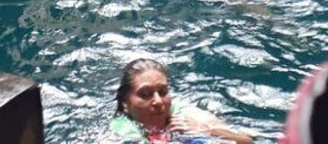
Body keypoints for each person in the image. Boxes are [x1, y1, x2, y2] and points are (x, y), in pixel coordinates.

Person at [102, 58, 253, 144]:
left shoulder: (193, 117)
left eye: (163, 92)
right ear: (125, 104)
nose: (158, 101)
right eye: (145, 94)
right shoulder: (116, 136)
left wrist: (208, 131)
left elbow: (247, 143)